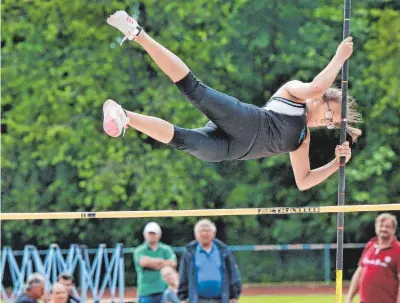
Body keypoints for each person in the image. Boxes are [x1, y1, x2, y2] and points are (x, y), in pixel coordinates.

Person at [103, 10, 361, 191]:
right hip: (246, 122)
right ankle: (137, 32)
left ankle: (125, 116)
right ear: (323, 99)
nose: (325, 121)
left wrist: (335, 164)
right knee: (193, 89)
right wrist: (339, 58)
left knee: (183, 140)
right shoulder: (295, 93)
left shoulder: (303, 138)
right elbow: (317, 85)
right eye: (329, 112)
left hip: (231, 150)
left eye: (330, 123)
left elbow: (303, 181)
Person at [345, 213, 400, 303]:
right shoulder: (370, 245)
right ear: (376, 227)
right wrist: (349, 297)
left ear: (393, 230)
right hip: (365, 302)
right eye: (381, 226)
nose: (383, 229)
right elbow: (359, 272)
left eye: (387, 227)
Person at [178, 219, 241, 303]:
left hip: (221, 300)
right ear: (196, 234)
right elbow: (183, 275)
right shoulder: (189, 252)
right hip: (198, 300)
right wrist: (183, 298)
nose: (204, 234)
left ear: (214, 233)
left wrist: (234, 296)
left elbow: (233, 273)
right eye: (201, 231)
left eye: (207, 231)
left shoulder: (223, 251)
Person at [134, 222, 178, 303]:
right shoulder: (139, 250)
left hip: (164, 290)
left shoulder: (166, 249)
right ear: (144, 234)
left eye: (153, 233)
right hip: (145, 292)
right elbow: (144, 263)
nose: (151, 236)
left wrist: (151, 262)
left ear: (159, 235)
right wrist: (163, 262)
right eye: (149, 233)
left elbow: (173, 263)